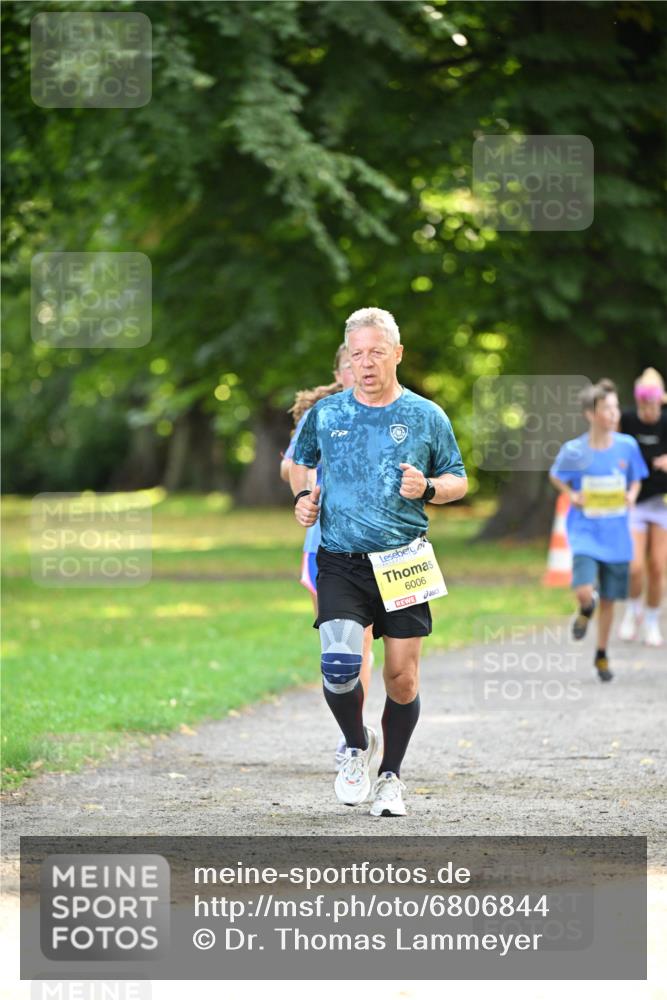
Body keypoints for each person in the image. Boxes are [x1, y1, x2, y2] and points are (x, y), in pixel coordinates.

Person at [289, 307, 467, 816]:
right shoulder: (327, 415)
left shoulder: (427, 416)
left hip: (404, 560)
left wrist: (429, 487)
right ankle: (354, 745)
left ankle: (390, 777)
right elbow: (301, 464)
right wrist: (304, 500)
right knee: (340, 665)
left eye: (376, 353)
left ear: (397, 354)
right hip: (341, 559)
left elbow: (458, 478)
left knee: (401, 680)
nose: (366, 364)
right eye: (357, 354)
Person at [280, 346, 374, 768]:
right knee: (337, 647)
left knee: (364, 642)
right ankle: (353, 734)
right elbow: (289, 467)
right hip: (324, 544)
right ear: (339, 372)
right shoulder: (325, 415)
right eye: (351, 363)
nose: (360, 369)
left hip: (377, 546)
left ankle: (354, 741)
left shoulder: (393, 414)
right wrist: (316, 480)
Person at [549, 379, 649, 681]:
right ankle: (584, 606)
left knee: (609, 599)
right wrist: (572, 494)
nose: (614, 413)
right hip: (585, 533)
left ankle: (602, 655)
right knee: (583, 589)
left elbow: (636, 478)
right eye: (607, 408)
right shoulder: (574, 450)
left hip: (616, 536)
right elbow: (556, 476)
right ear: (590, 414)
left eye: (616, 407)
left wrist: (632, 495)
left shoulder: (627, 446)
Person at [618, 368, 667, 647]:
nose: (646, 410)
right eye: (642, 404)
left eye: (652, 403)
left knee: (658, 567)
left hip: (661, 503)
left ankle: (651, 620)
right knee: (635, 567)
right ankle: (632, 609)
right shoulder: (627, 419)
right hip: (635, 501)